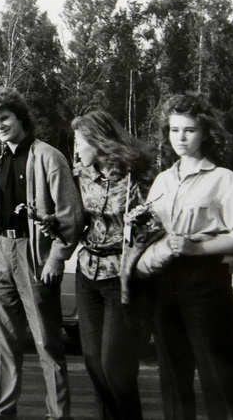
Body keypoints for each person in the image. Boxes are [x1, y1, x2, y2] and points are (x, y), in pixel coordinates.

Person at [0, 86, 83, 420]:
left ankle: (58, 415)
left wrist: (56, 258)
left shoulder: (48, 156)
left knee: (47, 343)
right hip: (1, 254)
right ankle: (1, 411)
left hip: (34, 256)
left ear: (20, 116)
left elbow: (71, 215)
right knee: (5, 342)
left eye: (4, 118)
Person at [147, 93, 233, 420]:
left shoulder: (224, 180)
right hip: (163, 283)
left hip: (205, 282)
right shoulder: (161, 181)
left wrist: (198, 248)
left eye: (189, 130)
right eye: (174, 130)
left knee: (218, 375)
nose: (181, 138)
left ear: (205, 133)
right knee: (173, 379)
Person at [71, 110, 154, 420]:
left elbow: (157, 224)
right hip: (87, 273)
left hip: (122, 277)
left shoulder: (137, 176)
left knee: (115, 367)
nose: (75, 149)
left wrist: (143, 222)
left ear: (98, 142)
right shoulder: (81, 175)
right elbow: (75, 218)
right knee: (93, 363)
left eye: (79, 142)